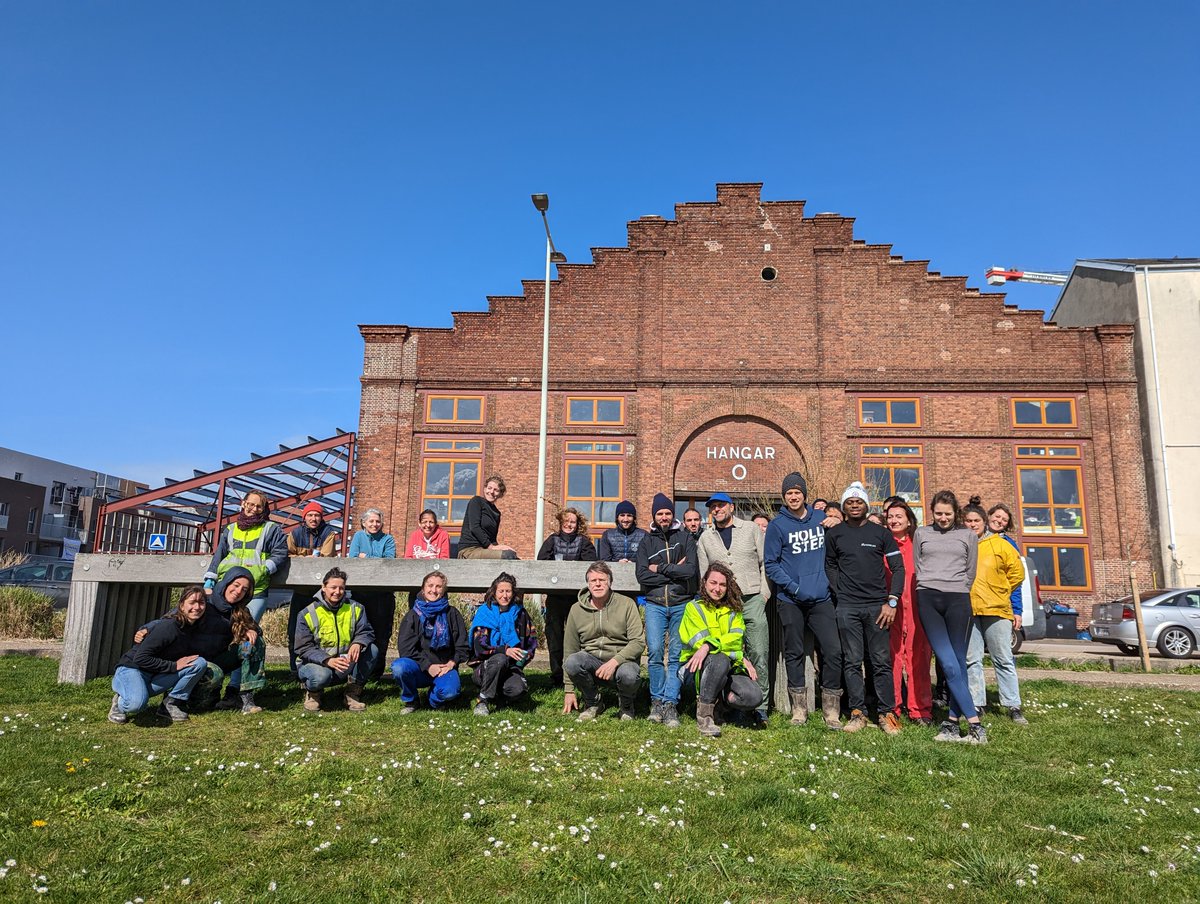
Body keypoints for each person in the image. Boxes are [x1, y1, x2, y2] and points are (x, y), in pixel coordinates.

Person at [764, 472, 844, 729]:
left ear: (804, 495)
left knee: (833, 650)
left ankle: (831, 708)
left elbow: (841, 540)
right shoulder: (777, 526)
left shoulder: (820, 519)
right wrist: (794, 588)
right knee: (794, 652)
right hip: (791, 600)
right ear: (784, 497)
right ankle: (799, 708)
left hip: (821, 598)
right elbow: (771, 564)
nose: (793, 496)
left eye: (797, 492)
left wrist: (838, 520)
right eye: (788, 493)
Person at [825, 482, 906, 735]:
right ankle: (857, 713)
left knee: (881, 662)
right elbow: (830, 566)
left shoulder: (881, 534)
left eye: (859, 501)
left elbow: (898, 568)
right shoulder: (835, 534)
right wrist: (841, 593)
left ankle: (886, 713)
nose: (854, 505)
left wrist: (892, 601)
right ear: (844, 506)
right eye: (849, 502)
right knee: (852, 662)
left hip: (878, 607)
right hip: (848, 607)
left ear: (866, 505)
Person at [912, 491, 985, 743]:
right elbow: (919, 565)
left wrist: (957, 587)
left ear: (956, 514)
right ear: (932, 512)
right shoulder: (921, 533)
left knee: (959, 663)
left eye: (948, 514)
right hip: (928, 599)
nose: (943, 518)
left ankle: (954, 724)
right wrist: (930, 583)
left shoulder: (968, 536)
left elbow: (970, 570)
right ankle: (975, 724)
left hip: (958, 600)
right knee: (948, 662)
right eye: (938, 513)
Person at [697, 492, 770, 729]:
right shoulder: (706, 538)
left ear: (731, 507)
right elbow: (704, 575)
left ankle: (760, 707)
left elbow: (765, 563)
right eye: (713, 507)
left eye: (721, 505)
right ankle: (726, 703)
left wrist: (764, 594)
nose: (716, 510)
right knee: (726, 653)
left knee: (758, 651)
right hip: (723, 604)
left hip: (752, 598)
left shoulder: (751, 529)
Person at [635, 492, 698, 728]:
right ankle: (656, 701)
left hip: (681, 603)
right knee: (654, 652)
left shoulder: (685, 538)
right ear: (654, 516)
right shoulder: (646, 541)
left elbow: (690, 571)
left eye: (668, 513)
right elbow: (642, 576)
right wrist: (673, 571)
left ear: (673, 515)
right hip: (655, 604)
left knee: (675, 655)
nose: (664, 517)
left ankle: (671, 703)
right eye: (660, 513)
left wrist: (660, 568)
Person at [679, 563, 763, 737]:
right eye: (713, 583)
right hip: (694, 669)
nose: (717, 589)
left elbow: (735, 641)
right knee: (719, 659)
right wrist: (710, 647)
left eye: (722, 585)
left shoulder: (734, 610)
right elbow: (698, 642)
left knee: (753, 696)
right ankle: (705, 716)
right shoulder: (693, 608)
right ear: (704, 583)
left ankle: (720, 706)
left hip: (728, 666)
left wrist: (710, 645)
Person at [109, 585, 212, 724]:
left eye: (201, 603)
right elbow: (141, 658)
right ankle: (120, 701)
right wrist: (174, 666)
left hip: (156, 672)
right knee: (137, 705)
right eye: (192, 602)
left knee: (198, 663)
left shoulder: (196, 627)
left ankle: (170, 704)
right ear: (182, 605)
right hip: (133, 668)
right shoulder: (169, 626)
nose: (197, 607)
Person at [966, 497, 1028, 725]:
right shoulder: (963, 544)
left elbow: (1017, 574)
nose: (973, 525)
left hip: (997, 609)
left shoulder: (1002, 545)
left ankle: (1013, 704)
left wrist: (1001, 591)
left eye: (976, 521)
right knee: (972, 660)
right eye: (969, 521)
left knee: (1002, 658)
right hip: (970, 610)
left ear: (984, 522)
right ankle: (976, 703)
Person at [563, 562, 646, 721]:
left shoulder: (627, 604)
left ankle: (626, 705)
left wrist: (614, 662)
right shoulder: (576, 609)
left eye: (602, 580)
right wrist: (569, 690)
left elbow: (638, 642)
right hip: (592, 663)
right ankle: (593, 702)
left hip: (621, 663)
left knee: (629, 674)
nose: (598, 584)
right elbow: (569, 649)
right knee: (572, 662)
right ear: (588, 584)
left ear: (610, 582)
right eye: (593, 580)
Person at [294, 567, 378, 711]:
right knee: (321, 676)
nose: (337, 592)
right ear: (323, 587)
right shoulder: (307, 613)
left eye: (341, 588)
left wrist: (358, 643)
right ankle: (313, 694)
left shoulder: (356, 608)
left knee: (373, 650)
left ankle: (352, 693)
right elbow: (303, 647)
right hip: (316, 665)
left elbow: (366, 631)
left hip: (344, 663)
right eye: (333, 587)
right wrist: (327, 660)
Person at [203, 490, 288, 621]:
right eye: (251, 504)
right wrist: (210, 579)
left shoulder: (271, 529)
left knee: (247, 627)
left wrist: (264, 569)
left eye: (259, 506)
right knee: (221, 626)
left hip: (255, 590)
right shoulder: (231, 529)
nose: (254, 509)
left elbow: (281, 552)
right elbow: (220, 554)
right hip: (227, 588)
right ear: (243, 504)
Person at [536, 507, 598, 687]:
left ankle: (576, 673)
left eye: (573, 522)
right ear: (561, 522)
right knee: (554, 636)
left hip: (575, 598)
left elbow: (590, 564)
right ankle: (557, 675)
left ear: (578, 524)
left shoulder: (584, 542)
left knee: (576, 637)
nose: (569, 524)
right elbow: (542, 562)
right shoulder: (551, 540)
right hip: (555, 597)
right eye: (566, 521)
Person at [392, 570, 470, 713]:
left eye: (438, 587)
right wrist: (428, 666)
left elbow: (463, 645)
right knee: (399, 667)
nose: (433, 590)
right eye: (430, 586)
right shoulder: (413, 615)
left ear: (443, 591)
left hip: (445, 668)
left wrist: (452, 662)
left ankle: (433, 700)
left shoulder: (452, 614)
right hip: (419, 667)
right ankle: (411, 700)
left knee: (450, 693)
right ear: (423, 589)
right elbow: (406, 649)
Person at [884, 500, 932, 725]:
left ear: (909, 520)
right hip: (890, 609)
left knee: (918, 658)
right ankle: (892, 707)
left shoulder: (919, 545)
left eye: (898, 516)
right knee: (892, 658)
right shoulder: (883, 545)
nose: (894, 520)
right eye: (890, 517)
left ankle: (920, 709)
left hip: (916, 608)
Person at [469, 572, 537, 715]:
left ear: (513, 593)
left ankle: (497, 694)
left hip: (511, 667)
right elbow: (479, 647)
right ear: (494, 592)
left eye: (508, 591)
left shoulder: (520, 613)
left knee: (518, 690)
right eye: (501, 591)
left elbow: (531, 641)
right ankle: (483, 700)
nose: (504, 595)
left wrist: (524, 656)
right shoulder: (484, 612)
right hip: (485, 666)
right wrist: (504, 650)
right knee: (500, 659)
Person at [286, 502, 340, 675]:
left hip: (320, 593)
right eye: (310, 515)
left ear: (321, 517)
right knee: (294, 630)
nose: (313, 518)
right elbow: (287, 554)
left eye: (317, 515)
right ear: (304, 517)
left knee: (319, 631)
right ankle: (294, 667)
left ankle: (320, 665)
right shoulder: (295, 533)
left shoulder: (328, 533)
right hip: (300, 590)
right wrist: (307, 558)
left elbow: (326, 557)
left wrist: (302, 557)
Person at [208, 566, 267, 714]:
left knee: (253, 643)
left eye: (244, 589)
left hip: (225, 659)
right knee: (201, 705)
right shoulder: (205, 603)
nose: (239, 591)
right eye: (236, 585)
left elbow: (257, 630)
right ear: (226, 583)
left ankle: (243, 695)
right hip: (202, 662)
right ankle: (208, 694)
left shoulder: (241, 610)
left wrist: (251, 630)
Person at [348, 507, 397, 679]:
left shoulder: (388, 539)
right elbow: (353, 559)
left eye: (377, 521)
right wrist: (375, 559)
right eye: (371, 521)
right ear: (364, 523)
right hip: (361, 592)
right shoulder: (358, 536)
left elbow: (389, 562)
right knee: (359, 631)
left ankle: (376, 672)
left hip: (383, 594)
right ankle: (357, 670)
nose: (375, 524)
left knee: (382, 633)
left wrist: (366, 558)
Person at [458, 476, 518, 559]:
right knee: (507, 556)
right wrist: (491, 547)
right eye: (489, 488)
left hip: (485, 550)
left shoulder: (496, 513)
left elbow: (492, 539)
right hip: (469, 550)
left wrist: (501, 547)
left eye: (496, 490)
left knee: (513, 556)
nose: (491, 492)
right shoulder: (476, 501)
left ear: (500, 494)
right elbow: (474, 528)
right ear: (485, 489)